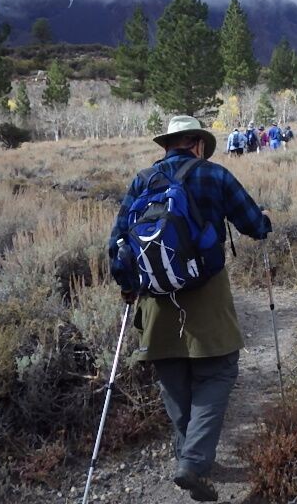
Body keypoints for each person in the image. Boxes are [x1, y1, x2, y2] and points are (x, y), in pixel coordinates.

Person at [108, 116, 271, 502]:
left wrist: (130, 288)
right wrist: (264, 223)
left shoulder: (142, 181)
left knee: (172, 374)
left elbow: (118, 243)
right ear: (197, 143)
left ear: (167, 145)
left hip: (156, 299)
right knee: (216, 371)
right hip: (207, 293)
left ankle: (188, 455)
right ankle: (193, 462)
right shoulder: (214, 175)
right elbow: (251, 223)